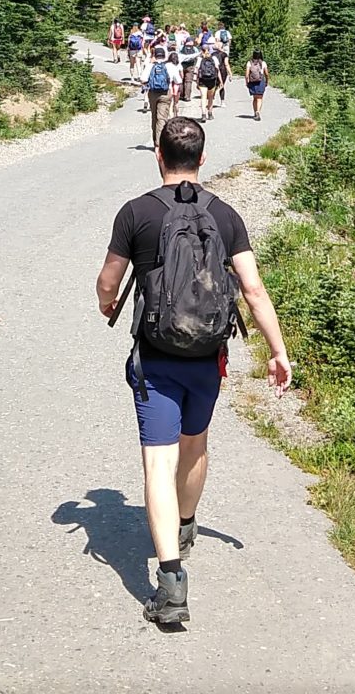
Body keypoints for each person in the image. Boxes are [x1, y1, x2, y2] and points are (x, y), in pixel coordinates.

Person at [95, 117, 293, 627]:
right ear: (202, 159)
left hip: (156, 355)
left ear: (158, 155)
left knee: (157, 462)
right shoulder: (224, 215)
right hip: (208, 356)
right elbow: (252, 288)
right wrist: (277, 350)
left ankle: (171, 581)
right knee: (195, 443)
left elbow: (107, 280)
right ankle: (185, 523)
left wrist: (108, 302)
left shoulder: (136, 213)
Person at [143, 43, 176, 148]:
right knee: (162, 118)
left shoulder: (150, 66)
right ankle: (159, 143)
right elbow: (178, 80)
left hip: (153, 93)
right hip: (166, 93)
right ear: (164, 56)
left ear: (155, 56)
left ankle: (155, 141)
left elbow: (142, 79)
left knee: (154, 117)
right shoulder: (169, 66)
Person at [196, 43, 221, 119]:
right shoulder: (214, 58)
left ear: (201, 50)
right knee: (210, 97)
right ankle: (210, 113)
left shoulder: (200, 59)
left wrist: (196, 81)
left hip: (202, 80)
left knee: (203, 97)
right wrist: (220, 81)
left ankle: (203, 114)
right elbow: (217, 70)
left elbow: (196, 70)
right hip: (212, 80)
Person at [244, 51, 269, 121]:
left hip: (252, 82)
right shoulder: (263, 63)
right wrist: (267, 81)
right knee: (260, 98)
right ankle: (258, 111)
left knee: (255, 98)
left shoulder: (249, 63)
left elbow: (246, 75)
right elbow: (266, 74)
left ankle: (255, 112)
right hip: (261, 82)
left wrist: (247, 82)